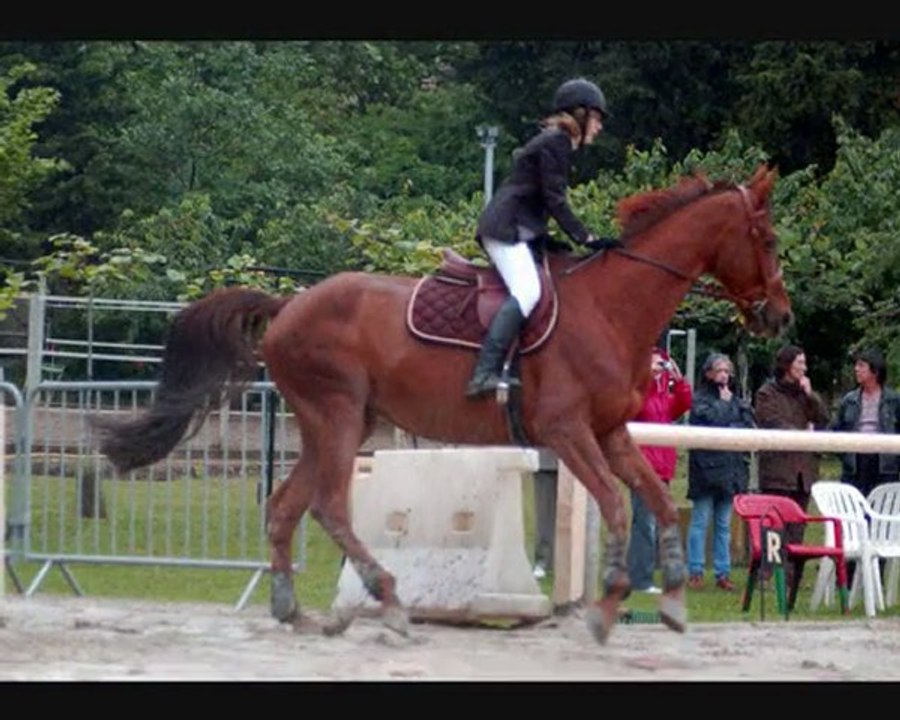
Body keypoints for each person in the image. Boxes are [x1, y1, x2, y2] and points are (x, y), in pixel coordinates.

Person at [466, 77, 616, 398]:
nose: (599, 127)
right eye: (597, 118)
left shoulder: (555, 142)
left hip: (518, 228)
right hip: (505, 228)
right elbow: (554, 200)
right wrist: (586, 237)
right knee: (528, 290)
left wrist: (547, 239)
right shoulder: (556, 142)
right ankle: (484, 372)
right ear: (580, 114)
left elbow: (537, 201)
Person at [754, 344, 830, 589]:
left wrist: (811, 395)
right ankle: (768, 576)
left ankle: (791, 579)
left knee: (797, 527)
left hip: (803, 473)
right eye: (800, 363)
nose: (804, 368)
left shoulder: (804, 394)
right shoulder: (767, 393)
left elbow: (822, 419)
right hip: (777, 471)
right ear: (787, 365)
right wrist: (801, 434)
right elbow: (771, 422)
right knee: (774, 526)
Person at [686, 352, 755, 591]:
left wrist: (727, 412)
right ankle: (695, 571)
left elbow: (747, 425)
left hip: (730, 471)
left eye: (727, 370)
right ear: (708, 373)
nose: (724, 375)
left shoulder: (737, 399)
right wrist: (726, 409)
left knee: (724, 525)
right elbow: (710, 421)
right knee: (700, 522)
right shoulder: (699, 400)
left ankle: (722, 573)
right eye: (719, 370)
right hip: (705, 471)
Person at [626, 347, 692, 594]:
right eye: (654, 363)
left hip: (663, 466)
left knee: (654, 522)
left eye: (660, 364)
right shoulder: (639, 390)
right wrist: (647, 379)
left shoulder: (665, 394)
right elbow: (636, 408)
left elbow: (683, 405)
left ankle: (642, 574)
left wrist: (679, 379)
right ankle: (640, 579)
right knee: (644, 522)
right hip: (642, 466)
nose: (658, 368)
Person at [832, 348, 900, 496]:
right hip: (855, 463)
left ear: (875, 370)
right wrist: (847, 454)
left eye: (861, 365)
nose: (856, 369)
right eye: (856, 365)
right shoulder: (849, 400)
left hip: (884, 464)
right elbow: (836, 430)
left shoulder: (894, 400)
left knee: (883, 508)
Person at [532, 448, 558, 579]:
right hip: (546, 459)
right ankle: (543, 560)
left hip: (578, 459)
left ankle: (574, 561)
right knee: (545, 515)